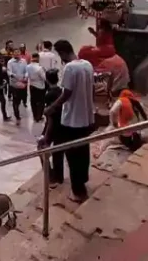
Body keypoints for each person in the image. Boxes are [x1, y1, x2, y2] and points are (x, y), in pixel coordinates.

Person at [42, 39, 96, 203]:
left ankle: (77, 191)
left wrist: (51, 108)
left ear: (63, 52)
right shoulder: (87, 64)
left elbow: (66, 94)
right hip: (86, 118)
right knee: (83, 151)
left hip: (72, 120)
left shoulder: (70, 68)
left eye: (60, 55)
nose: (61, 58)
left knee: (72, 156)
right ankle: (83, 183)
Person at [96, 89, 148, 156]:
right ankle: (134, 142)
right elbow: (143, 115)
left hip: (125, 134)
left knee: (109, 134)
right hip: (136, 131)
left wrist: (113, 122)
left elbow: (112, 111)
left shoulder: (121, 101)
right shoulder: (137, 103)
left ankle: (128, 143)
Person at [39, 70, 65, 188]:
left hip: (53, 125)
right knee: (58, 152)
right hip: (63, 124)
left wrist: (45, 134)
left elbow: (50, 117)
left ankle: (51, 177)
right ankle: (59, 177)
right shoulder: (62, 91)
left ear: (47, 80)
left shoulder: (49, 95)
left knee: (42, 149)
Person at [7, 53, 29, 122]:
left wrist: (25, 76)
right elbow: (9, 72)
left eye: (17, 54)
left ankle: (23, 102)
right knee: (16, 100)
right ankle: (17, 114)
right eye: (15, 54)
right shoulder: (10, 62)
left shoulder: (24, 61)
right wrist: (14, 76)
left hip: (23, 83)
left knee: (23, 96)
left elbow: (26, 70)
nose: (16, 55)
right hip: (14, 84)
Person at [27, 53, 47, 122]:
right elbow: (44, 78)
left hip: (32, 85)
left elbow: (26, 75)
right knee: (41, 102)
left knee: (33, 101)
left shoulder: (28, 66)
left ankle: (34, 115)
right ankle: (39, 116)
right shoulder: (39, 68)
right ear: (38, 58)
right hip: (40, 86)